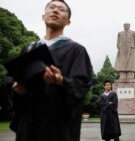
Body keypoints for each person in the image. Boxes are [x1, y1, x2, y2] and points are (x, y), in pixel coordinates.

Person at [8, 0, 93, 141]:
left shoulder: (76, 50)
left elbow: (82, 85)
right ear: (43, 16)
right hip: (28, 123)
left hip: (57, 126)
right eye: (52, 7)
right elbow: (11, 78)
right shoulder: (29, 49)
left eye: (61, 9)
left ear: (68, 22)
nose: (55, 11)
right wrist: (17, 88)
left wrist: (61, 81)